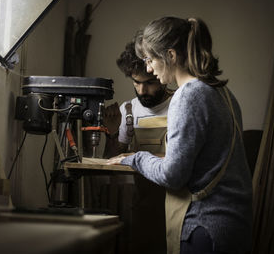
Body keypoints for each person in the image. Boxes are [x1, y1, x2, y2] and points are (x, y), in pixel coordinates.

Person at [107, 17, 253, 254]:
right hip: (234, 225)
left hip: (205, 228)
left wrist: (134, 157)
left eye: (150, 59)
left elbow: (172, 176)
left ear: (171, 56)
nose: (148, 68)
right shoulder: (222, 91)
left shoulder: (187, 96)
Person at [102, 40, 174, 254]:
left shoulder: (180, 104)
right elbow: (113, 160)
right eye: (136, 83)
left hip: (175, 200)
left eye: (150, 82)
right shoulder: (128, 110)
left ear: (161, 75)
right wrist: (112, 133)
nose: (143, 90)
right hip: (142, 201)